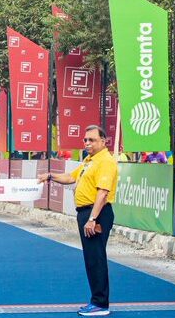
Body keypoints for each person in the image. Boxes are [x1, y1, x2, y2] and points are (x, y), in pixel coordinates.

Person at [37, 125, 117, 316]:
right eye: (85, 140)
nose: (87, 143)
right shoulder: (90, 161)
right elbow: (70, 177)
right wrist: (50, 176)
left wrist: (92, 218)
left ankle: (100, 303)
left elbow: (103, 193)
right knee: (91, 258)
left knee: (96, 258)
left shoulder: (105, 161)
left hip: (96, 214)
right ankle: (97, 300)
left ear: (103, 141)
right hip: (86, 213)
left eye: (92, 140)